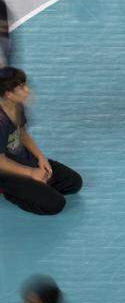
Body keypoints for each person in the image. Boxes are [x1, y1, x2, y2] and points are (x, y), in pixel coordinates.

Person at [0, 68, 83, 216]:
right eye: (21, 87)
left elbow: (22, 133)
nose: (27, 90)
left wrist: (40, 157)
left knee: (74, 183)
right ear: (8, 94)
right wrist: (31, 172)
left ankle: (37, 187)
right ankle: (8, 191)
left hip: (26, 160)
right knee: (56, 204)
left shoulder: (17, 105)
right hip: (7, 172)